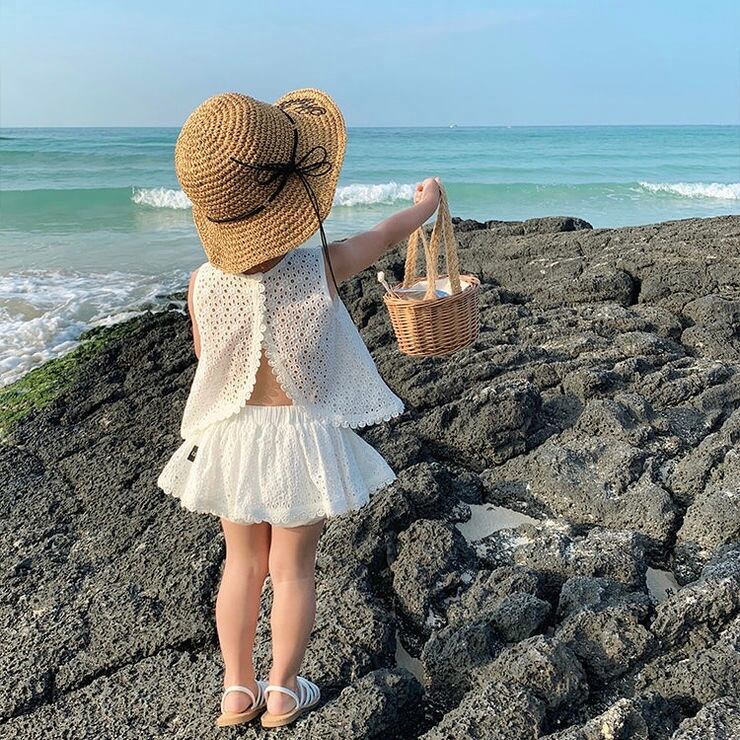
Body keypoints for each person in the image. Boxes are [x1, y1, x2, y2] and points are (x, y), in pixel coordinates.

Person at [157, 88, 440, 729]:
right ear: (288, 205)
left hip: (233, 436)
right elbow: (383, 236)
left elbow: (209, 359)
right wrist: (425, 205)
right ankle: (282, 693)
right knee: (292, 571)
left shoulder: (203, 283)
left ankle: (236, 691)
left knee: (242, 566)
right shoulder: (322, 266)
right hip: (302, 437)